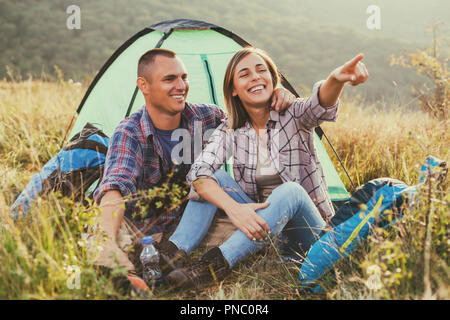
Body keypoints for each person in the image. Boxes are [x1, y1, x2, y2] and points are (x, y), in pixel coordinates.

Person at [164, 47, 369, 289]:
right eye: (245, 74)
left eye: (262, 70)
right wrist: (234, 209)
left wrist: (335, 79)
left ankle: (211, 267)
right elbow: (199, 172)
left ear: (273, 79)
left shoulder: (294, 114)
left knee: (290, 191)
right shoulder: (230, 130)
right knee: (214, 176)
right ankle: (168, 256)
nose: (255, 77)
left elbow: (318, 104)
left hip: (311, 235)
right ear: (234, 89)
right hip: (266, 235)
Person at [92, 48, 296, 273]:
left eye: (184, 77)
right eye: (170, 79)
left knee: (241, 211)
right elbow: (114, 186)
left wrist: (275, 96)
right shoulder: (130, 132)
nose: (181, 86)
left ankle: (275, 250)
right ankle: (123, 253)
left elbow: (248, 116)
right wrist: (106, 241)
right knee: (109, 235)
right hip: (149, 227)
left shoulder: (208, 117)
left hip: (201, 222)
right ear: (144, 86)